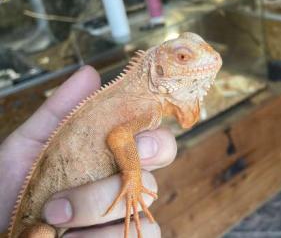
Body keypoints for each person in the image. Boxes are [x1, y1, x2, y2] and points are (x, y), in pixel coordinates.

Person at [0, 66, 177, 237]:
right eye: (183, 57)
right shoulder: (146, 105)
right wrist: (132, 176)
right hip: (36, 226)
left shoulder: (147, 104)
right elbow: (119, 137)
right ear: (158, 69)